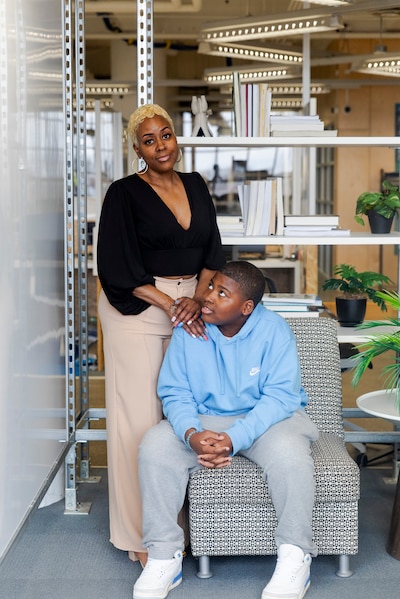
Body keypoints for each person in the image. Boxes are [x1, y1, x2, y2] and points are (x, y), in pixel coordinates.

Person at [133, 261, 319, 599]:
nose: (207, 298)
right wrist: (191, 433)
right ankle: (163, 554)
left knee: (292, 457)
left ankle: (295, 555)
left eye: (222, 293)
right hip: (206, 419)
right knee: (155, 445)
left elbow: (280, 397)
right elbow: (175, 391)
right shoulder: (189, 329)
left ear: (246, 307)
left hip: (268, 420)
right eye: (209, 287)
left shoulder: (275, 331)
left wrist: (235, 439)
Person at [97, 103, 225, 566]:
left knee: (186, 415)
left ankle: (184, 527)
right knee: (141, 422)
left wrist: (201, 295)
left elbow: (213, 248)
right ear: (137, 149)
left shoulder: (196, 185)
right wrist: (172, 303)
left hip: (192, 304)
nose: (160, 146)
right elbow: (117, 266)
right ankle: (142, 535)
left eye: (165, 135)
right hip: (141, 308)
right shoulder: (124, 194)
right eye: (149, 140)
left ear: (176, 137)